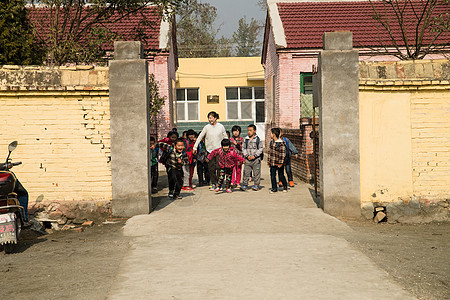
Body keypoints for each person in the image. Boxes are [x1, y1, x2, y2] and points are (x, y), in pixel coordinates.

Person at [193, 111, 228, 190]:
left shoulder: (221, 126)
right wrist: (195, 147)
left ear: (215, 118)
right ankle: (213, 183)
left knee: (219, 167)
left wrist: (227, 148)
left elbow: (225, 137)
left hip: (219, 150)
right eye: (209, 118)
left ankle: (219, 184)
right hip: (209, 151)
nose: (210, 119)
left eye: (211, 117)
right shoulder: (206, 127)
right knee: (211, 168)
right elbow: (199, 137)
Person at [241, 124, 264, 191]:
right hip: (248, 160)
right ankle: (245, 184)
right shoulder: (246, 139)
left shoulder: (258, 140)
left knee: (257, 173)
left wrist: (255, 156)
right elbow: (243, 148)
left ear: (255, 131)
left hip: (256, 160)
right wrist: (247, 156)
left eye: (250, 130)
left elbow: (260, 148)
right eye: (248, 130)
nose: (249, 132)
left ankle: (256, 185)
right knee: (246, 172)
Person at [268, 128, 288, 193]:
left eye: (271, 133)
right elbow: (270, 153)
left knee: (281, 175)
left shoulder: (281, 143)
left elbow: (282, 154)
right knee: (272, 175)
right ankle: (274, 188)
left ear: (274, 134)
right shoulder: (272, 142)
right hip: (272, 163)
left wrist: (280, 163)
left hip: (279, 163)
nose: (270, 135)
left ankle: (285, 186)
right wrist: (269, 161)